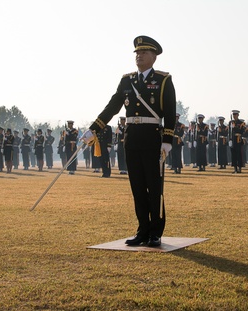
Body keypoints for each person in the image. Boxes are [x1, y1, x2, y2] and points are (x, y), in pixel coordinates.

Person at [81, 35, 176, 247]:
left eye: (143, 52)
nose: (139, 56)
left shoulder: (163, 80)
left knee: (154, 185)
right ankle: (142, 230)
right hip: (131, 137)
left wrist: (167, 139)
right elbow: (113, 107)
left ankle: (155, 232)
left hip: (152, 137)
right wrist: (93, 129)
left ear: (153, 57)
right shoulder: (127, 80)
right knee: (137, 186)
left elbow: (170, 112)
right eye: (137, 53)